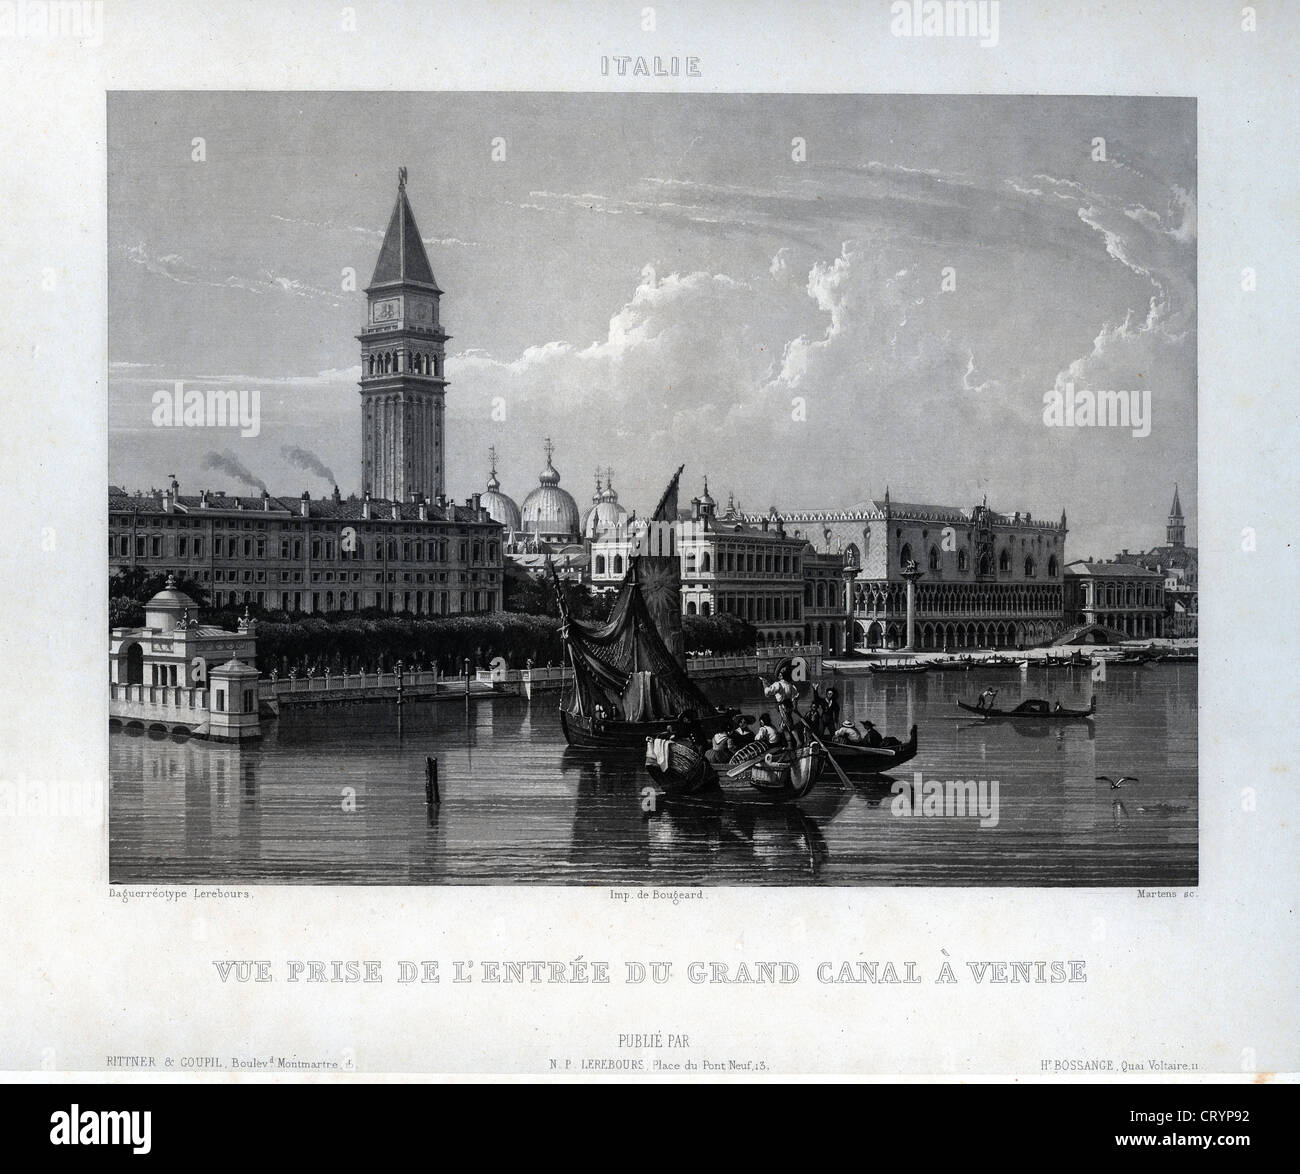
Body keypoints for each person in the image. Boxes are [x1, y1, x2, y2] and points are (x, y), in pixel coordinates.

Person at [761, 662, 803, 746]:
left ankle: (798, 742)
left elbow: (767, 693)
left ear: (782, 675)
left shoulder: (778, 684)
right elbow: (796, 696)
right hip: (789, 706)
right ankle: (789, 745)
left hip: (783, 707)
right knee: (783, 727)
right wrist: (795, 706)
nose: (779, 675)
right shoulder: (790, 685)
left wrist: (764, 683)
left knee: (789, 725)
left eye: (780, 674)